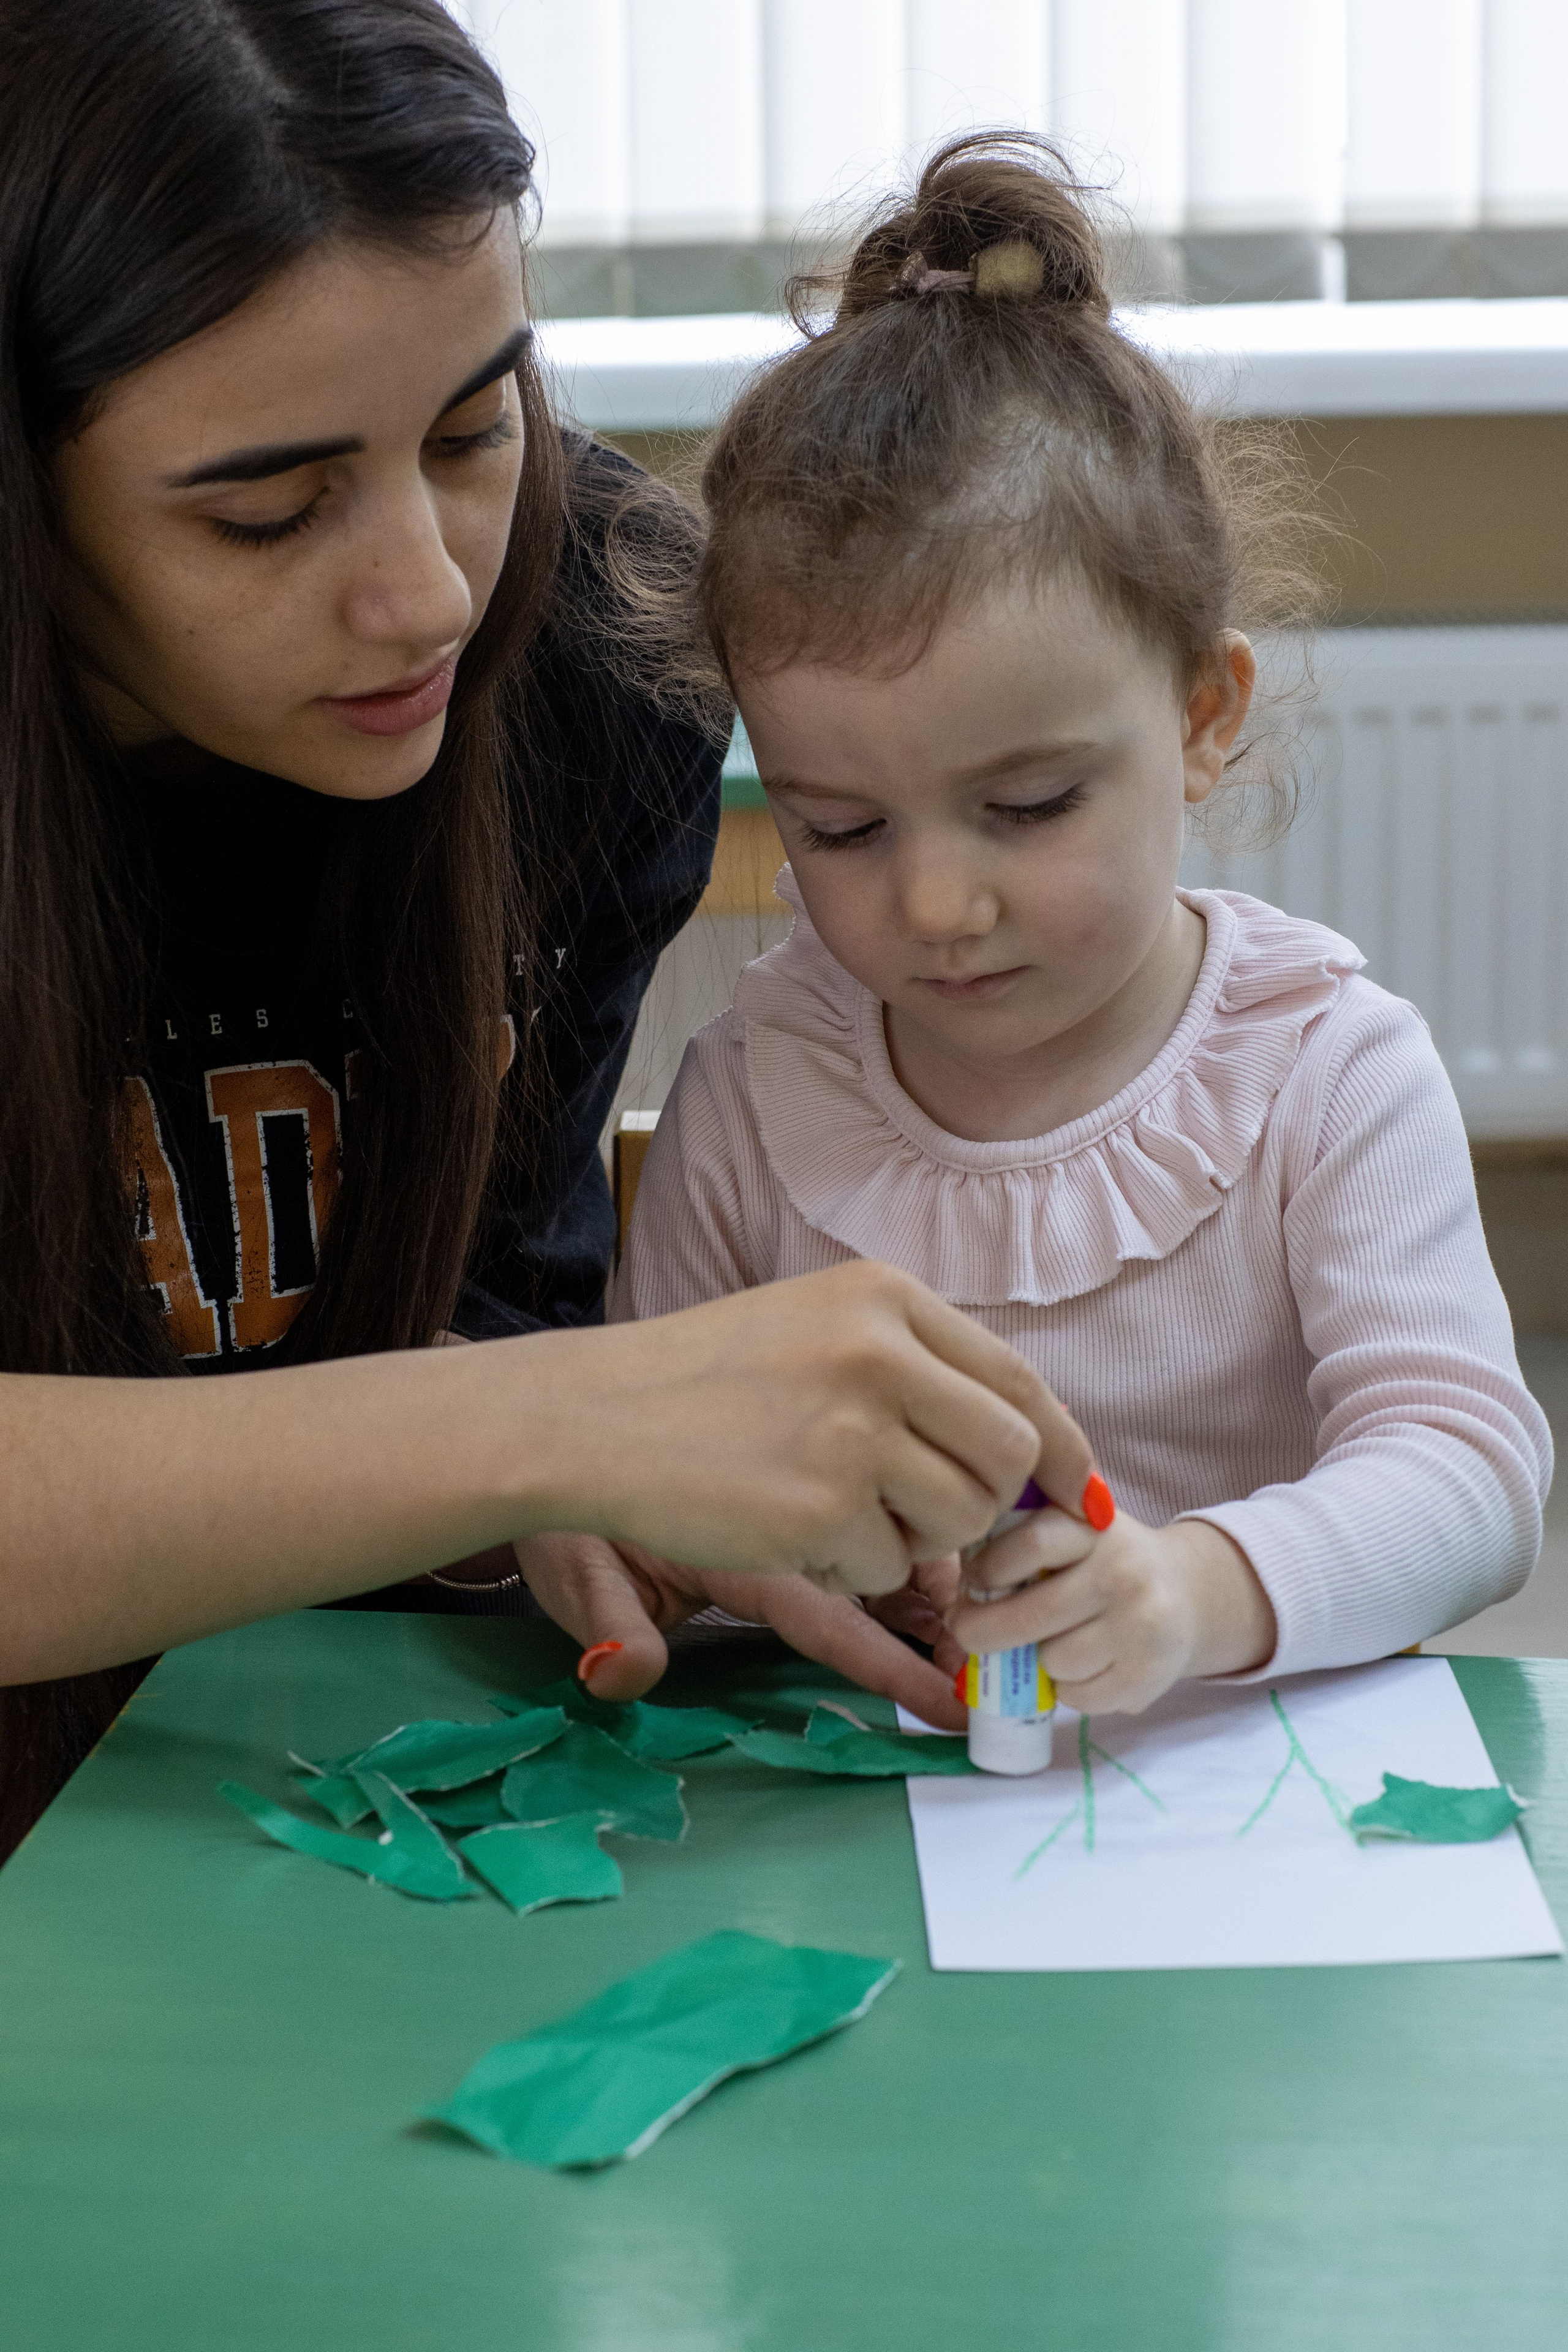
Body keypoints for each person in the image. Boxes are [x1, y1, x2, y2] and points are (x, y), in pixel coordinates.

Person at [0, 13, 1099, 1849]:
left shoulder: (599, 645)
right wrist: (547, 1424)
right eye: (268, 513)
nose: (431, 591)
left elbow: (483, 1288)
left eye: (473, 426)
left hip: (304, 1784)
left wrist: (591, 1478)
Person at [572, 135, 1551, 1720]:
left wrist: (1192, 1591)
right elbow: (656, 1444)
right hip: (877, 1815)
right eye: (839, 826)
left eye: (1028, 808)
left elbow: (1469, 1475)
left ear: (1203, 715)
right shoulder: (762, 1084)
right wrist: (675, 1538)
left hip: (1256, 1812)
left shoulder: (1324, 1073)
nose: (937, 904)